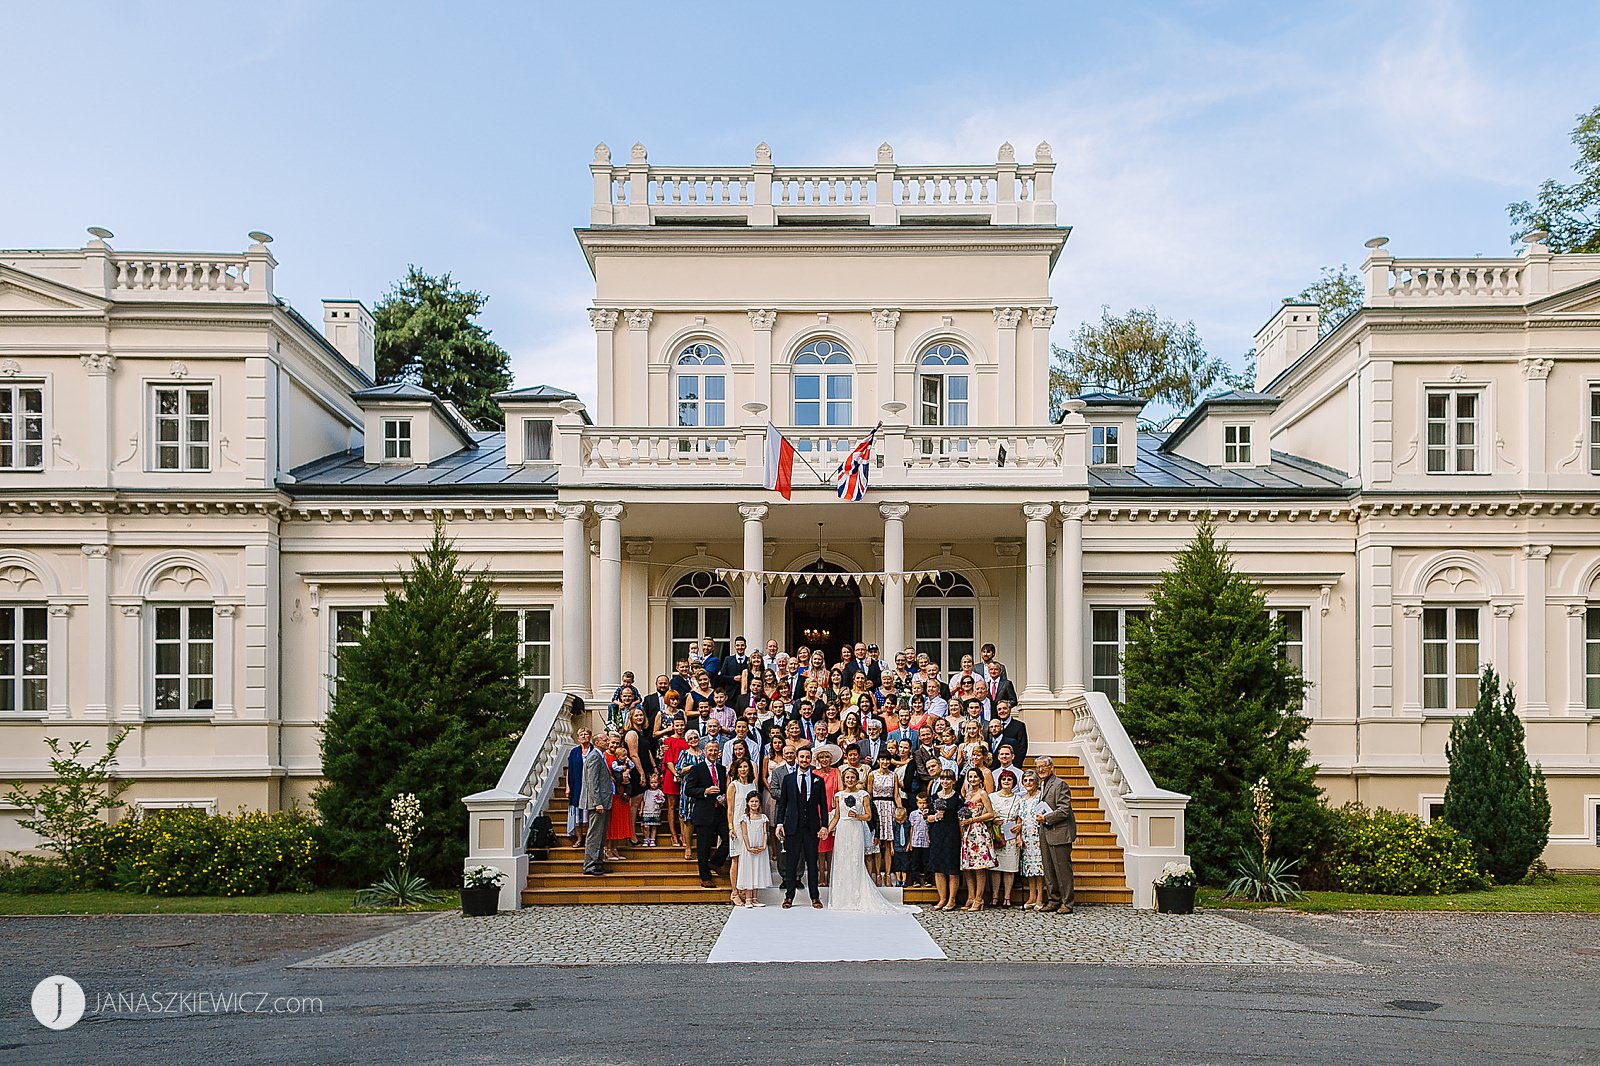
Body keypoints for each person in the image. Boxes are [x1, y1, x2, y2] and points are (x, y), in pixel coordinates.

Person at [826, 766, 911, 914]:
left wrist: (857, 816)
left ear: (856, 779)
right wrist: (827, 830)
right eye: (847, 777)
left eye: (852, 777)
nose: (850, 780)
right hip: (842, 830)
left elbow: (869, 816)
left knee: (855, 861)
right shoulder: (838, 795)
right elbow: (837, 816)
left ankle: (857, 896)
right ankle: (842, 898)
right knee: (842, 861)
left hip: (856, 828)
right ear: (844, 779)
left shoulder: (863, 794)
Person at [775, 745, 829, 909]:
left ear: (810, 759)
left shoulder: (818, 780)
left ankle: (815, 897)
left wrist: (824, 825)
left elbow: (824, 806)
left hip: (812, 828)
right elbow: (782, 803)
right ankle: (789, 896)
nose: (805, 760)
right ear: (797, 759)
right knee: (791, 863)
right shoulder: (788, 779)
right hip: (792, 827)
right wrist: (779, 823)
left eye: (807, 757)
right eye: (802, 757)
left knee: (812, 863)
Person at [683, 740, 729, 888]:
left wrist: (723, 797)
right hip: (704, 813)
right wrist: (705, 791)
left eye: (715, 750)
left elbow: (722, 788)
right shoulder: (697, 769)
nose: (713, 753)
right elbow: (688, 789)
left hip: (719, 812)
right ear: (704, 752)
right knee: (703, 848)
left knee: (729, 840)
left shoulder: (722, 769)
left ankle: (715, 863)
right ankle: (705, 878)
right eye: (710, 750)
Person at [1035, 755, 1077, 914]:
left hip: (1059, 832)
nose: (1040, 770)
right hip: (1046, 832)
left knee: (1062, 870)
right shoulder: (1043, 784)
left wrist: (1046, 818)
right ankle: (1053, 900)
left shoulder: (1060, 784)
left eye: (1043, 766)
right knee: (1049, 869)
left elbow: (1064, 810)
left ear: (1051, 767)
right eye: (1038, 767)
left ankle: (1067, 902)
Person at [958, 767, 996, 911]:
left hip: (978, 831)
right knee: (968, 867)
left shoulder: (982, 793)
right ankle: (971, 896)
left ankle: (979, 899)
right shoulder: (967, 794)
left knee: (979, 866)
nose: (972, 779)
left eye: (975, 777)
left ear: (980, 779)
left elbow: (990, 813)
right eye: (970, 777)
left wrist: (974, 819)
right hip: (967, 831)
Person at [925, 768, 962, 910]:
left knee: (952, 868)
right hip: (937, 833)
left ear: (953, 781)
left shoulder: (957, 797)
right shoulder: (934, 796)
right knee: (938, 867)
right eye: (943, 779)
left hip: (952, 834)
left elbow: (961, 817)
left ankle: (951, 900)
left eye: (948, 779)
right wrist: (935, 817)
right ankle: (942, 899)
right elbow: (927, 816)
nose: (945, 781)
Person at [581, 730, 614, 876]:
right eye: (605, 740)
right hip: (598, 802)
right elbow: (592, 781)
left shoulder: (600, 756)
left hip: (605, 801)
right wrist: (597, 802)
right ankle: (590, 865)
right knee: (594, 833)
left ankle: (598, 862)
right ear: (597, 742)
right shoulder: (594, 757)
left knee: (601, 834)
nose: (608, 742)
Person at [989, 768, 1023, 906]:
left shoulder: (1018, 798)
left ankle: (1007, 897)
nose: (1006, 781)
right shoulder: (992, 797)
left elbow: (1021, 815)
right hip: (997, 834)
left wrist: (1019, 826)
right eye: (1004, 779)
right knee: (996, 868)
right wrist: (993, 820)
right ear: (1000, 781)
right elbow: (988, 812)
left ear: (1014, 783)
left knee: (1009, 868)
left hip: (1011, 834)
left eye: (1009, 779)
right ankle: (995, 896)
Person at [726, 758, 758, 904]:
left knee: (748, 860)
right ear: (736, 769)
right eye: (741, 767)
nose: (744, 769)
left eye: (746, 766)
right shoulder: (733, 786)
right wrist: (731, 827)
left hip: (750, 827)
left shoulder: (752, 785)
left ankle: (746, 891)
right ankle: (734, 892)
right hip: (737, 827)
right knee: (736, 859)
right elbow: (730, 809)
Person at [867, 751, 899, 886]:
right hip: (876, 807)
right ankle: (878, 875)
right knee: (877, 842)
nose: (885, 762)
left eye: (887, 760)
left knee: (888, 843)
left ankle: (887, 874)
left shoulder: (893, 775)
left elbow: (896, 794)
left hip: (889, 806)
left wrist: (900, 809)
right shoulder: (872, 775)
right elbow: (868, 794)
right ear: (878, 761)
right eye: (882, 760)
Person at [734, 792, 772, 906]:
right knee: (748, 871)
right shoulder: (744, 818)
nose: (754, 803)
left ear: (759, 803)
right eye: (752, 801)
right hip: (748, 850)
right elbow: (744, 834)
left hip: (760, 848)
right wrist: (749, 847)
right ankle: (748, 899)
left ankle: (755, 898)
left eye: (756, 801)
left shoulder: (763, 817)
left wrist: (764, 845)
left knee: (757, 871)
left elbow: (765, 833)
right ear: (747, 803)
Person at [605, 735, 637, 860]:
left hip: (622, 791)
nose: (614, 745)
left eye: (617, 743)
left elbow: (630, 767)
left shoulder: (621, 756)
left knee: (619, 820)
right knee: (610, 821)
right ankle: (607, 848)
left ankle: (614, 848)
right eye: (612, 742)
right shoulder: (604, 756)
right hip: (611, 791)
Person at [1019, 767, 1046, 910]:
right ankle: (1031, 896)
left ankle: (1040, 896)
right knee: (1029, 867)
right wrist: (1018, 836)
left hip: (1038, 834)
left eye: (1031, 780)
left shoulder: (1040, 796)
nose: (1028, 783)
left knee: (1039, 867)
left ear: (1036, 782)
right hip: (1025, 835)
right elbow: (1018, 818)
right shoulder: (1021, 798)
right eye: (1026, 780)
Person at [674, 730, 703, 860]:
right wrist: (691, 767)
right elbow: (679, 770)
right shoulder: (684, 754)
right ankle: (688, 846)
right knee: (688, 818)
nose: (693, 740)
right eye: (690, 738)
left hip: (702, 787)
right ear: (687, 741)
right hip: (688, 787)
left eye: (695, 737)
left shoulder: (704, 754)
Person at [565, 729, 590, 845]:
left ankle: (589, 839)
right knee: (576, 814)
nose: (584, 736)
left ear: (590, 736)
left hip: (590, 786)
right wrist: (567, 787)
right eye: (581, 734)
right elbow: (569, 770)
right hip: (576, 785)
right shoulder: (574, 752)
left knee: (588, 813)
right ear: (578, 738)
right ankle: (579, 838)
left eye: (586, 734)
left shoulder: (594, 751)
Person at [909, 792, 932, 887]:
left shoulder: (930, 814)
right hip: (915, 841)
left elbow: (931, 827)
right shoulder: (913, 814)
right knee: (915, 862)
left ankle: (927, 880)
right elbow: (911, 828)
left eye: (924, 803)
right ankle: (916, 880)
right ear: (917, 803)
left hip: (926, 841)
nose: (922, 805)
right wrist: (910, 842)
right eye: (920, 803)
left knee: (926, 862)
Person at [641, 773, 666, 847]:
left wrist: (661, 802)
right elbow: (643, 801)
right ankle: (646, 839)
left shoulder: (659, 792)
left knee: (654, 826)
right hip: (647, 811)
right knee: (646, 826)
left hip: (655, 811)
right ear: (649, 783)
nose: (654, 784)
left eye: (655, 782)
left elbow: (662, 802)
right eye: (652, 782)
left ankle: (652, 839)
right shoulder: (646, 792)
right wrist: (641, 810)